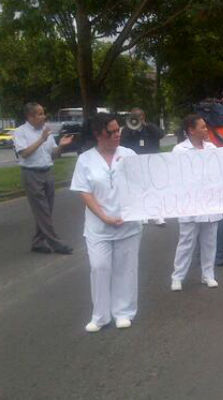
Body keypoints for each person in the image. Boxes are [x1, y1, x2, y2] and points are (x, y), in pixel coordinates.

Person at [70, 113, 143, 332]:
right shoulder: (85, 159)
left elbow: (143, 185)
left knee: (126, 269)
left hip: (127, 223)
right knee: (99, 267)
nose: (116, 135)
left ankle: (123, 312)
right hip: (99, 226)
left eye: (117, 130)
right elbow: (85, 192)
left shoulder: (129, 154)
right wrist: (104, 216)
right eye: (110, 132)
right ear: (97, 134)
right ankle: (100, 315)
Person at [170, 115, 223, 291]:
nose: (206, 130)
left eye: (206, 127)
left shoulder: (212, 148)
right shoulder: (179, 150)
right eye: (202, 127)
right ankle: (177, 276)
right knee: (186, 241)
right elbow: (175, 176)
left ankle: (208, 275)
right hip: (189, 202)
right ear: (191, 130)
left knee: (209, 241)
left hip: (210, 201)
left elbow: (220, 171)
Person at [13, 102, 74, 254]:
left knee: (46, 210)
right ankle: (56, 243)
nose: (43, 116)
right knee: (43, 211)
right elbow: (24, 153)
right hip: (31, 174)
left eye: (43, 113)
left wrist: (61, 146)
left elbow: (53, 155)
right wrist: (41, 139)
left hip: (47, 173)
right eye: (39, 114)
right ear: (30, 117)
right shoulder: (21, 132)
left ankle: (38, 242)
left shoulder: (46, 132)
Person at [120, 107, 166, 225]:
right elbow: (122, 143)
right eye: (133, 117)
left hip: (152, 162)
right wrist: (132, 130)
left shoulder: (150, 127)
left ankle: (157, 215)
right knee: (138, 189)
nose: (136, 119)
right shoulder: (127, 129)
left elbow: (161, 134)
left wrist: (146, 125)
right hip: (135, 163)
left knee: (154, 188)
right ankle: (142, 214)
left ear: (143, 117)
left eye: (139, 116)